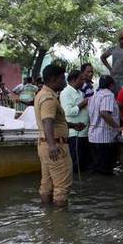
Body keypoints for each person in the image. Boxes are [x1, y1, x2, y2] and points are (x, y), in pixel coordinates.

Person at [34, 64, 86, 206]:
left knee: (47, 185)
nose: (64, 81)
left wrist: (73, 125)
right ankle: (61, 224)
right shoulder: (49, 98)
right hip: (55, 146)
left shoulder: (41, 95)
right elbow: (47, 121)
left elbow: (54, 122)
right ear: (53, 79)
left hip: (45, 145)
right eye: (62, 78)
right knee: (62, 187)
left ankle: (48, 219)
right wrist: (52, 146)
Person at [88, 75, 121, 175]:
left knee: (97, 169)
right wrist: (117, 128)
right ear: (111, 85)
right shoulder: (108, 95)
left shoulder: (94, 95)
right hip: (104, 138)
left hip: (93, 137)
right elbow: (104, 113)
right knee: (105, 170)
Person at [60, 69, 90, 172]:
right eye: (81, 79)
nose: (83, 82)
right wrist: (82, 104)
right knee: (76, 163)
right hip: (75, 133)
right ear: (73, 80)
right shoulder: (66, 93)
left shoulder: (80, 92)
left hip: (84, 132)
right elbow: (68, 112)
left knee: (83, 162)